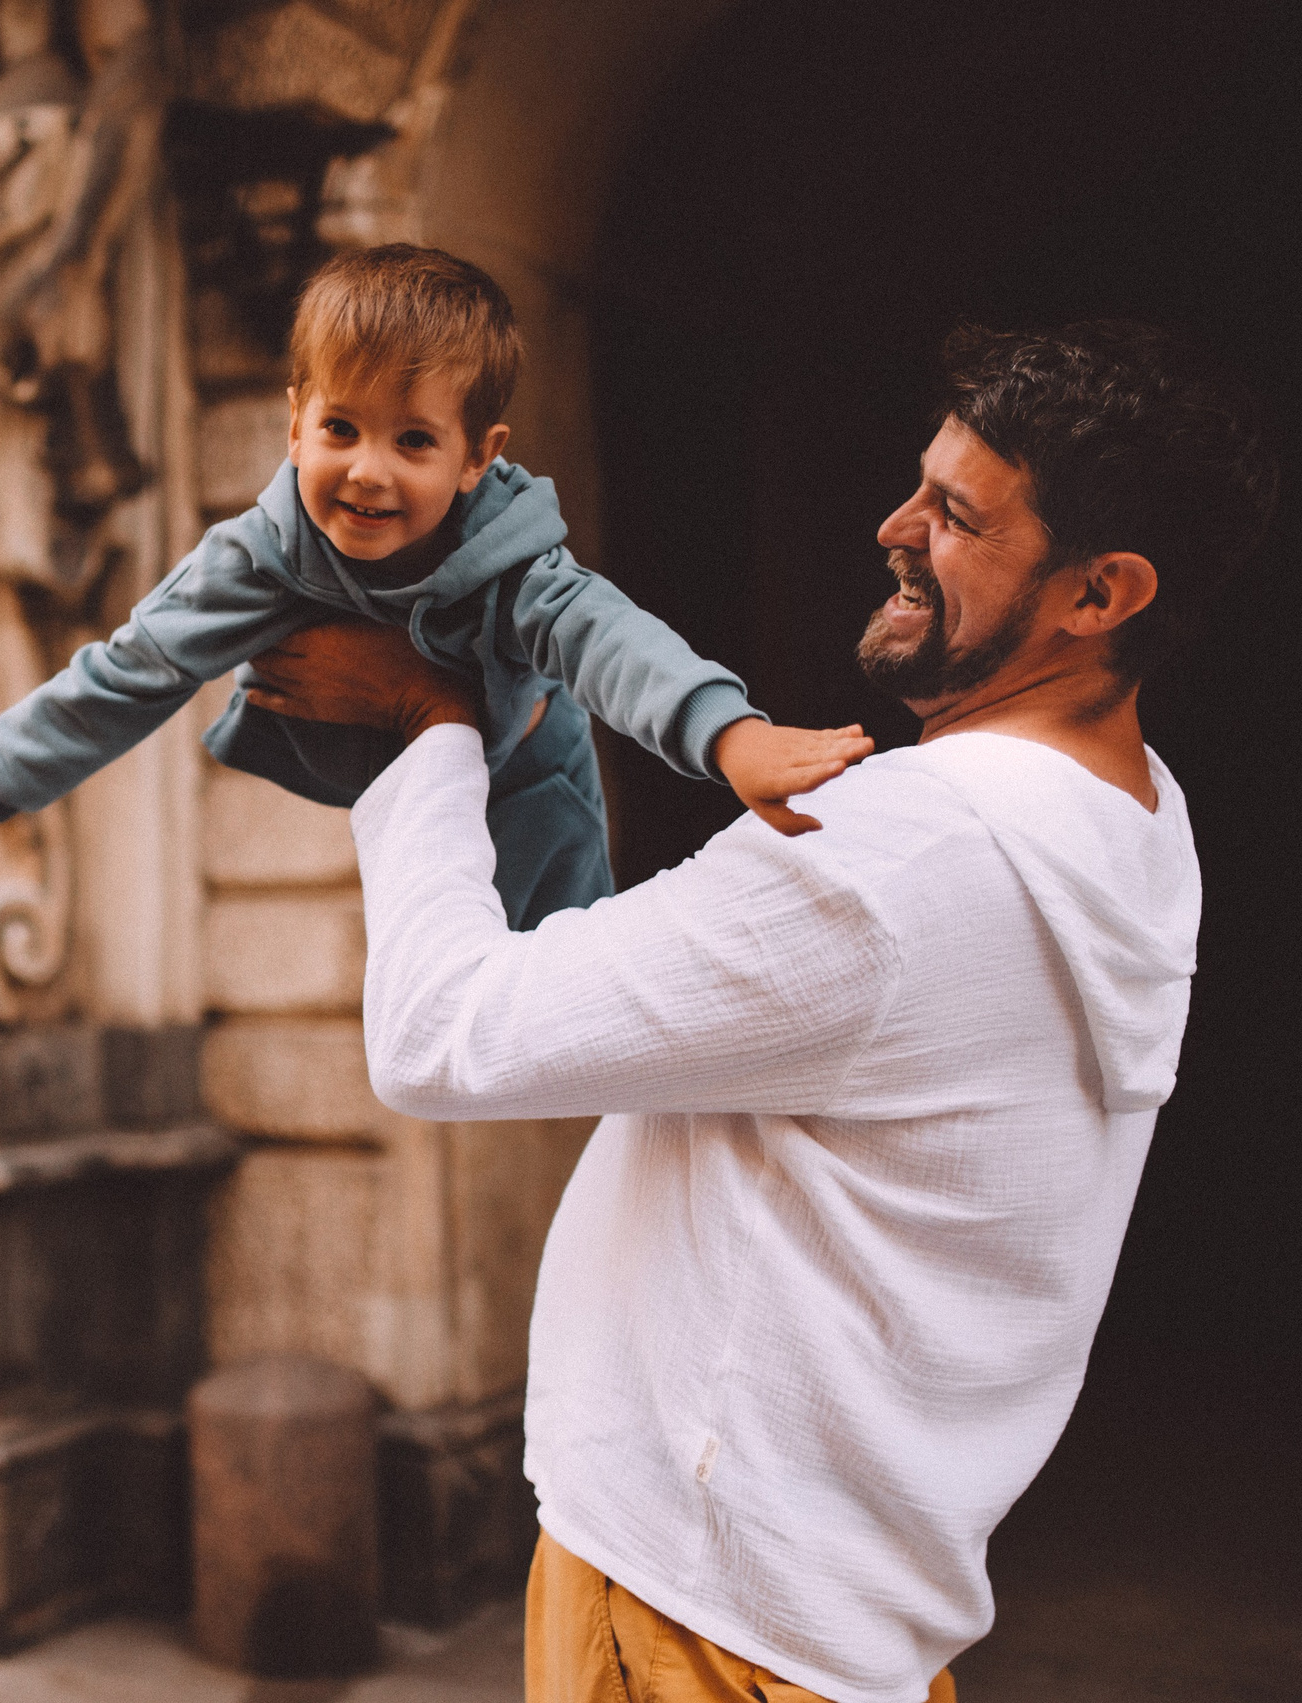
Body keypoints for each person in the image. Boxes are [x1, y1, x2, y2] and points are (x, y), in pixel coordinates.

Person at [242, 320, 1276, 1703]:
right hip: (856, 1630)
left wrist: (423, 727)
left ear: (1101, 593)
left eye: (956, 514)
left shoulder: (899, 853)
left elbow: (444, 1036)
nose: (894, 526)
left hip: (692, 1612)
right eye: (920, 484)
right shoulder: (1139, 818)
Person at [0, 244, 872, 927]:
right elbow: (127, 673)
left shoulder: (510, 560)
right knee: (436, 989)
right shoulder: (253, 558)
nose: (367, 471)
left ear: (476, 457)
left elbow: (610, 640)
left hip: (530, 776)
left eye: (412, 440)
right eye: (341, 429)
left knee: (567, 969)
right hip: (397, 791)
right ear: (295, 425)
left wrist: (730, 736)